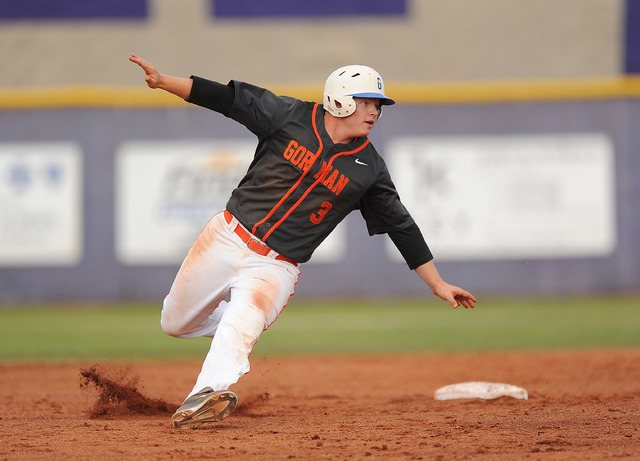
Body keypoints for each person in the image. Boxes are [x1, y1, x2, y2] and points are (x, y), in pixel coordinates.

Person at [129, 53, 477, 429]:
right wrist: (164, 81)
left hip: (275, 265)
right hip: (226, 235)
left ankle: (205, 393)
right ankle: (235, 327)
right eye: (365, 102)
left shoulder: (369, 169)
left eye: (377, 105)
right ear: (340, 99)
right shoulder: (289, 116)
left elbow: (401, 225)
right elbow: (227, 98)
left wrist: (437, 283)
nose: (373, 111)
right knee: (174, 323)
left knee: (245, 317)